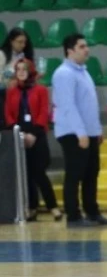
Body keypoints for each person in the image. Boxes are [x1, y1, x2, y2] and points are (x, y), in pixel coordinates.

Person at [53, 35, 107, 228]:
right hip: (72, 132)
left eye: (86, 46)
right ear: (70, 50)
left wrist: (95, 131)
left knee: (91, 173)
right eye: (82, 46)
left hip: (88, 132)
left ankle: (93, 212)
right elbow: (68, 106)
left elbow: (89, 105)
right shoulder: (63, 74)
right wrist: (81, 133)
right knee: (75, 174)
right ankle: (73, 216)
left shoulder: (83, 72)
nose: (86, 49)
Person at [4, 57, 59, 221]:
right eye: (18, 69)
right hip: (18, 134)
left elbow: (43, 113)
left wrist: (33, 134)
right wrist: (18, 132)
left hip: (37, 134)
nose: (21, 72)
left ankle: (53, 206)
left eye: (24, 69)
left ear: (30, 71)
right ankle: (32, 207)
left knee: (39, 172)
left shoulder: (41, 90)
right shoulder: (11, 92)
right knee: (25, 173)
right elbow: (8, 114)